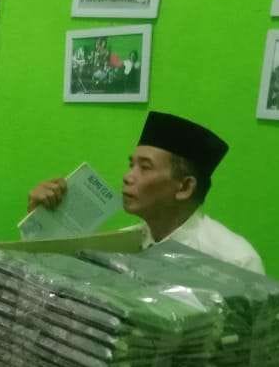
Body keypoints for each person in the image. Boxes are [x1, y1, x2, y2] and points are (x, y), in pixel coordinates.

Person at [27, 111, 263, 272]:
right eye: (131, 165)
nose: (127, 176)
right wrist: (42, 222)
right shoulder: (123, 246)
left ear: (184, 187)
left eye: (145, 167)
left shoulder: (235, 260)